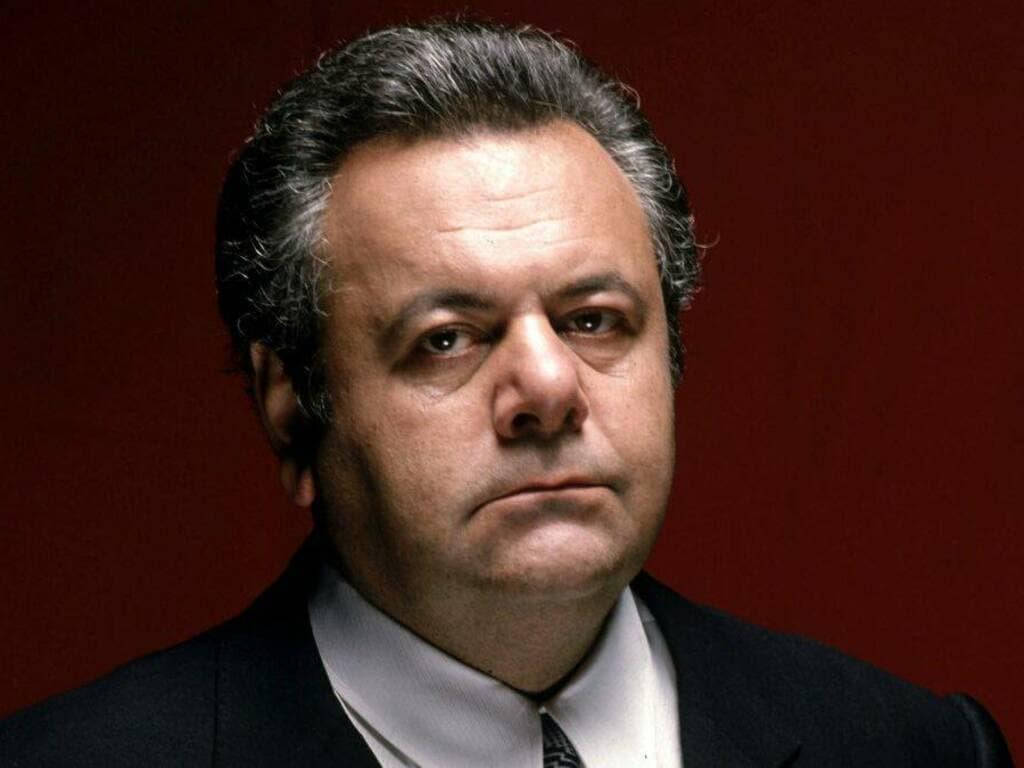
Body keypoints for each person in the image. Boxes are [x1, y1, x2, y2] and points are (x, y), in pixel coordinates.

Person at [0, 20, 1013, 768]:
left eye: (594, 320)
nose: (549, 388)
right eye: (446, 339)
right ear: (291, 405)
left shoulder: (916, 750)